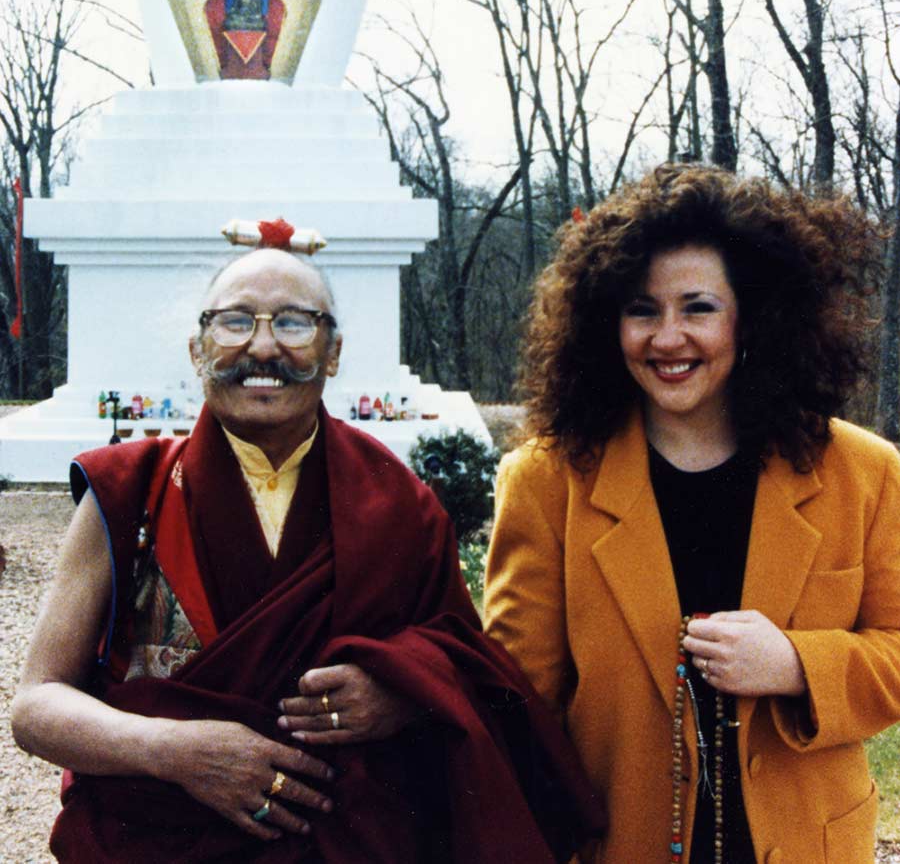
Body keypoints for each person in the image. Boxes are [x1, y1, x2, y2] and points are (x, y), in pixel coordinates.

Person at [12, 244, 602, 863]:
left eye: (295, 322)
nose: (263, 348)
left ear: (335, 351)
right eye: (236, 321)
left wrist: (403, 693)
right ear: (198, 349)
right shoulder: (132, 490)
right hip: (158, 834)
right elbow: (36, 706)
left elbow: (470, 669)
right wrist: (177, 752)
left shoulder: (399, 503)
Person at [483, 165, 900, 864]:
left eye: (698, 307)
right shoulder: (546, 480)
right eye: (642, 309)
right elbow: (519, 702)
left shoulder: (865, 471)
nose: (667, 337)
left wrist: (797, 662)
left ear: (753, 317)